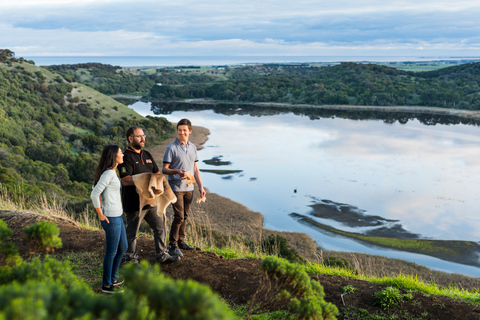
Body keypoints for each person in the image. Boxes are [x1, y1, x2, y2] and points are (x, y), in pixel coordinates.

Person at [118, 126, 179, 264]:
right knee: (132, 234)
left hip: (151, 201)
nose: (143, 138)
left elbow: (157, 175)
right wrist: (146, 178)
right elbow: (126, 180)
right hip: (134, 204)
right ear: (130, 138)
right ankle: (131, 260)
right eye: (139, 136)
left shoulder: (147, 155)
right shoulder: (126, 157)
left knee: (160, 227)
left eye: (143, 135)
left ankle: (162, 254)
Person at [162, 118, 206, 257]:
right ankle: (173, 245)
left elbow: (195, 169)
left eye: (185, 130)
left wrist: (201, 187)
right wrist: (177, 171)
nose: (182, 133)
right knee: (179, 216)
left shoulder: (193, 147)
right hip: (175, 187)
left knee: (185, 216)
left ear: (190, 131)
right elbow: (164, 169)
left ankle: (181, 241)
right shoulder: (171, 148)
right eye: (180, 130)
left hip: (189, 187)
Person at [90, 145, 128, 294]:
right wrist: (100, 213)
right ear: (114, 156)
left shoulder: (111, 172)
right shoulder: (108, 174)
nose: (123, 155)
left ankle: (112, 278)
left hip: (117, 216)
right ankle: (106, 285)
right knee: (111, 252)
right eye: (120, 153)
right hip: (111, 218)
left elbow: (95, 187)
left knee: (122, 248)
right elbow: (94, 193)